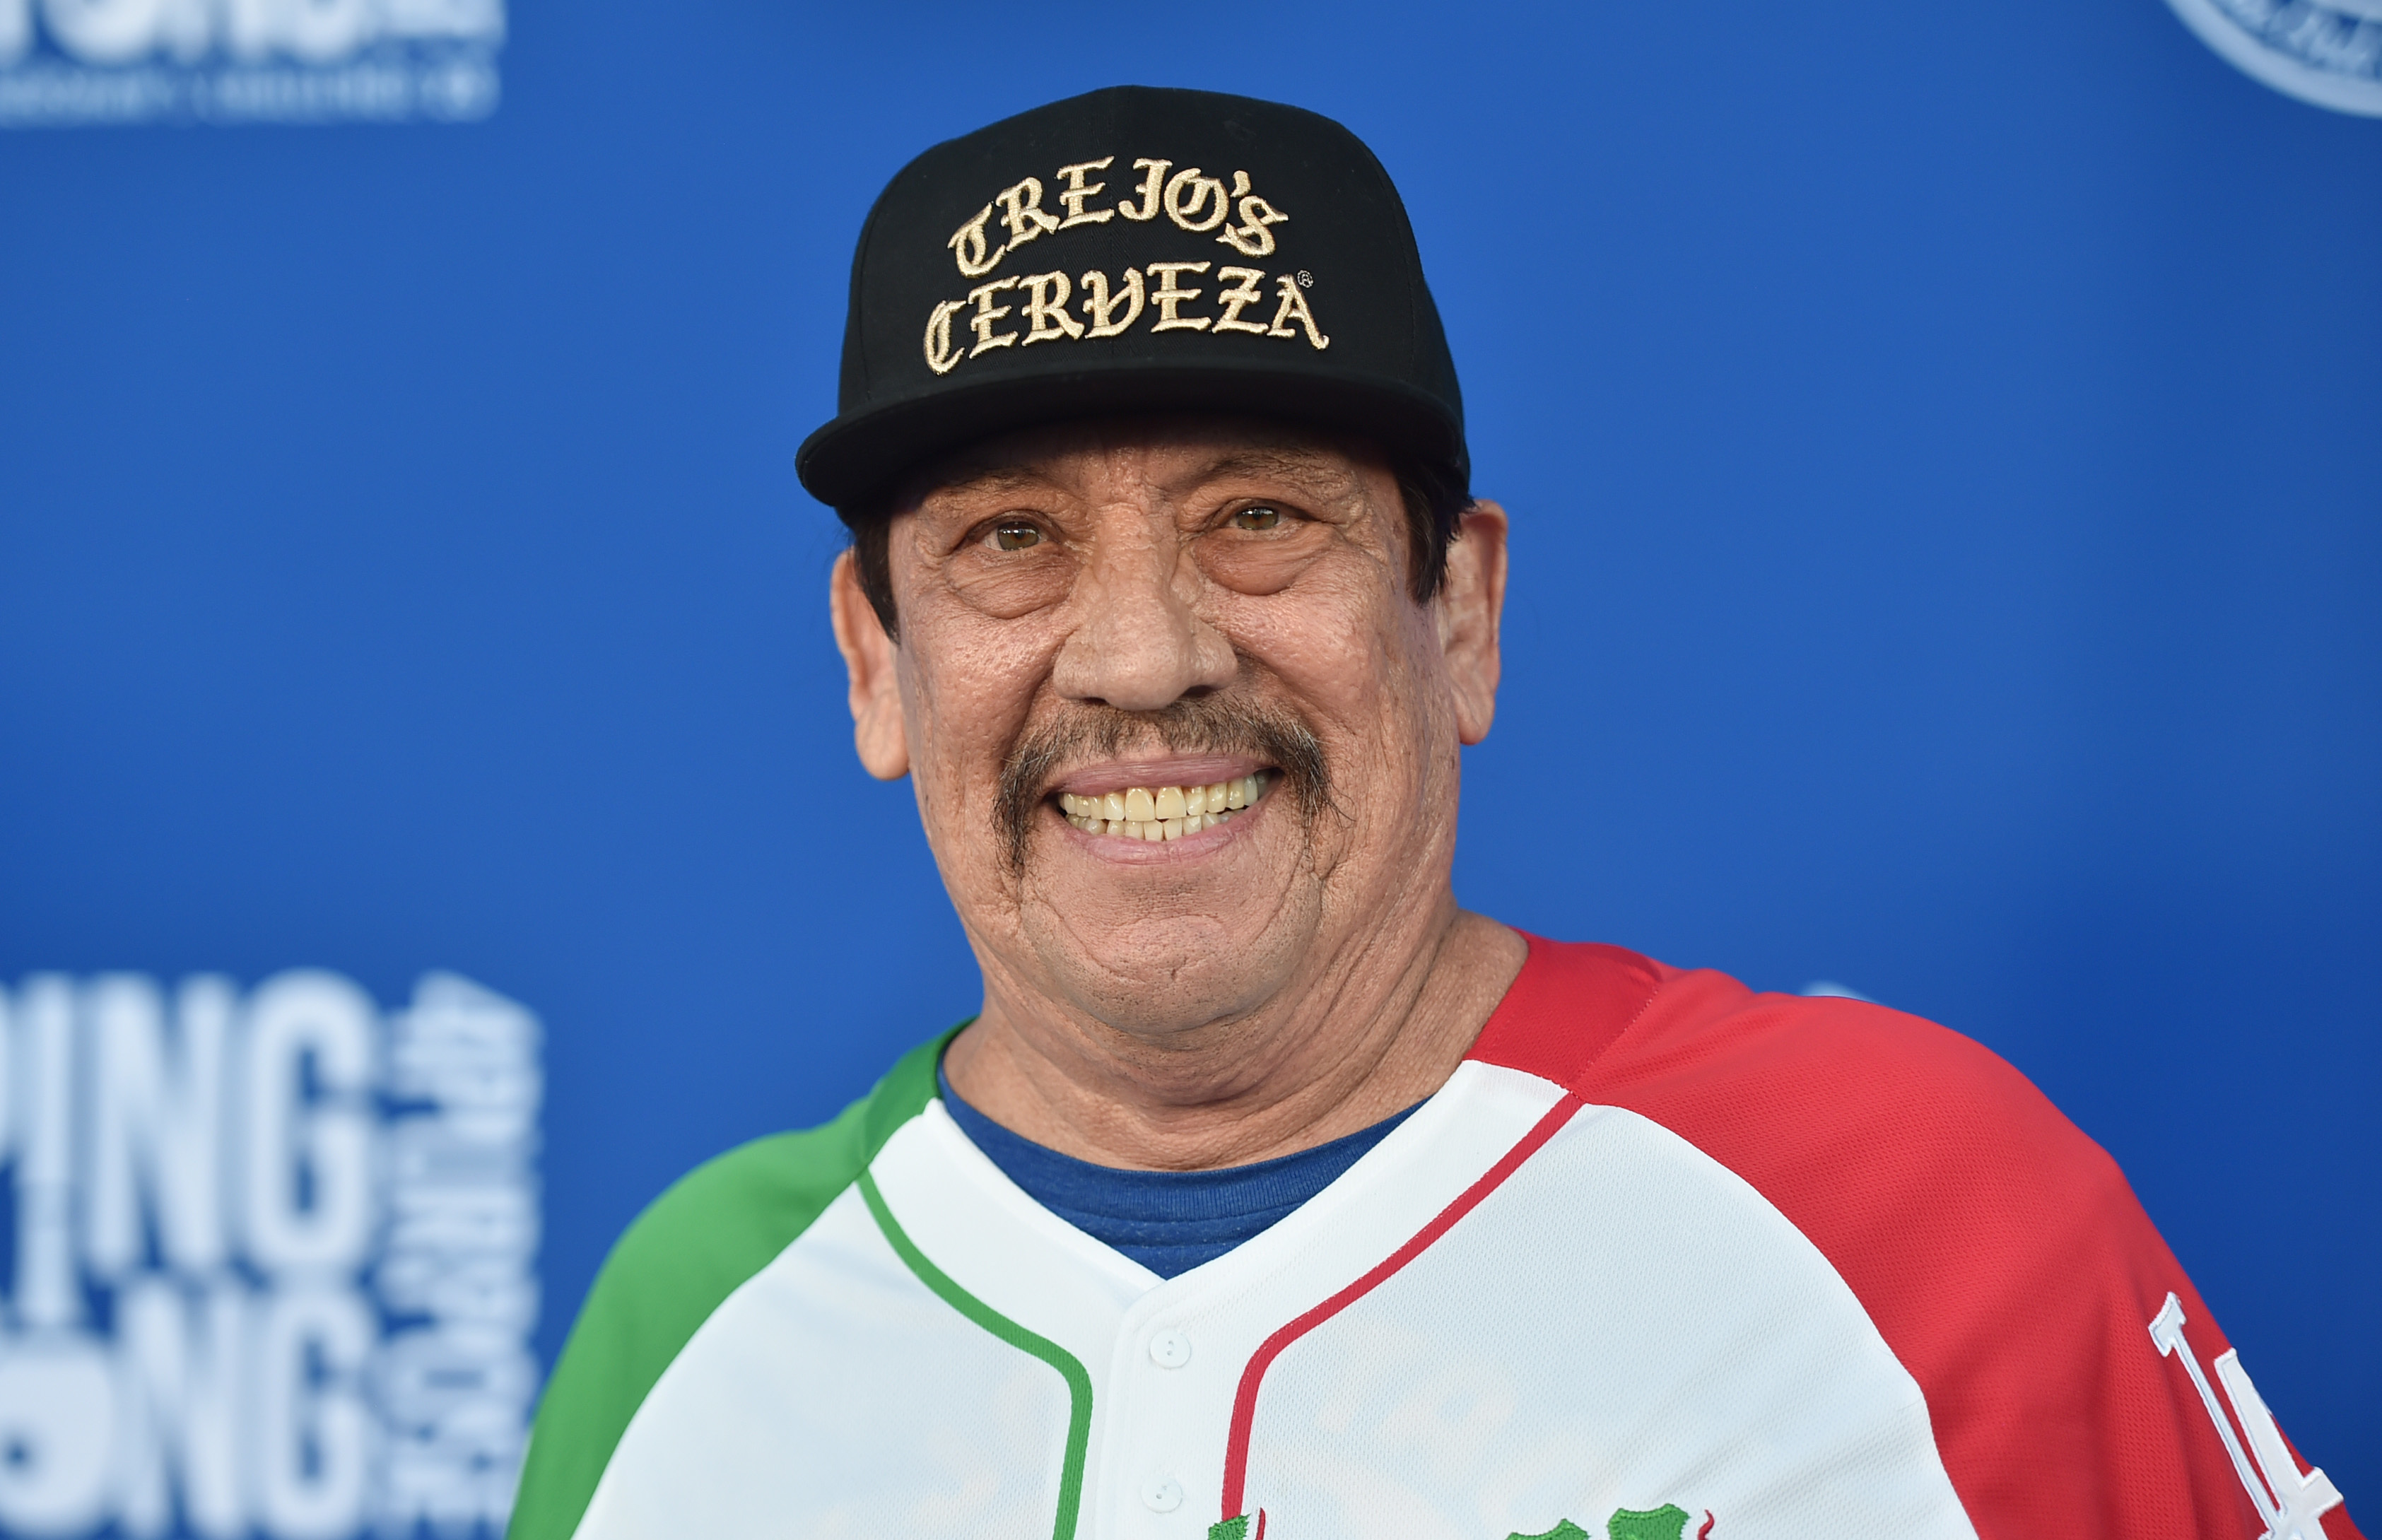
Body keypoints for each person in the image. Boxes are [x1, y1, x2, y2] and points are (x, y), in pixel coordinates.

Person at [505, 86, 2359, 1540]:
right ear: (874, 660)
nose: (1141, 657)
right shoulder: (694, 1314)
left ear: (1454, 610)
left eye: (1261, 516)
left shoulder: (1922, 1210)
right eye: (1012, 540)